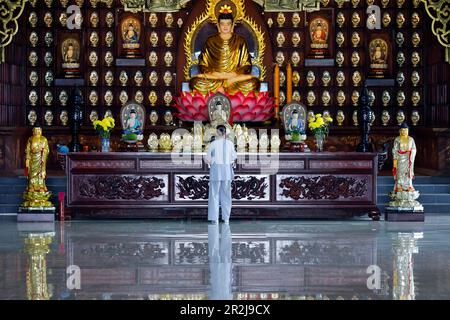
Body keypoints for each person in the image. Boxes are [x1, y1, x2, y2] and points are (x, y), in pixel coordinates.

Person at [189, 6, 260, 95]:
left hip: (234, 79)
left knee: (254, 82)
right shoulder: (210, 41)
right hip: (215, 78)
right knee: (195, 82)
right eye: (222, 24)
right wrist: (214, 73)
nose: (225, 26)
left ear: (233, 25)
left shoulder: (240, 41)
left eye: (228, 24)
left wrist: (234, 74)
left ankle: (223, 88)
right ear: (218, 25)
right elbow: (203, 64)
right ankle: (225, 89)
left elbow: (246, 65)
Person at [205, 125, 237, 224]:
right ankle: (226, 218)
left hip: (216, 171)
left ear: (218, 132)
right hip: (227, 171)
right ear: (225, 132)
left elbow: (208, 159)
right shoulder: (230, 144)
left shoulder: (213, 144)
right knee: (226, 194)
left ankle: (214, 219)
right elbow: (233, 157)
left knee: (214, 194)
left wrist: (211, 160)